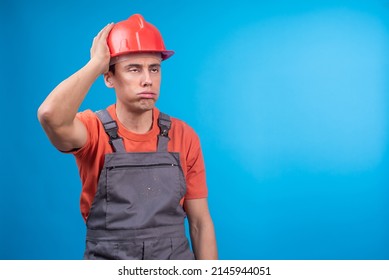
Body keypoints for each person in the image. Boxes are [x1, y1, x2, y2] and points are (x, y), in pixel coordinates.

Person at [37, 14, 217, 260]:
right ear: (109, 77)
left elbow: (199, 223)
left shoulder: (184, 135)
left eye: (154, 69)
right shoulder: (92, 130)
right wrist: (95, 64)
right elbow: (50, 115)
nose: (147, 80)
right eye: (134, 69)